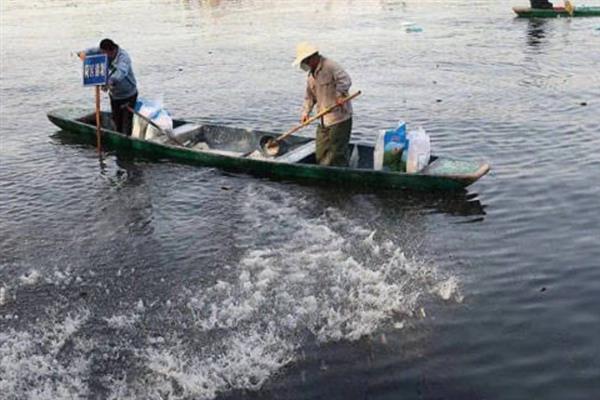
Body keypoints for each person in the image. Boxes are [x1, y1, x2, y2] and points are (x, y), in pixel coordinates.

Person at [293, 42, 353, 167]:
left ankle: (338, 179)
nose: (306, 64)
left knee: (337, 154)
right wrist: (305, 113)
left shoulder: (330, 66)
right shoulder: (311, 76)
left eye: (306, 61)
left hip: (339, 118)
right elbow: (309, 97)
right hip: (323, 119)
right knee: (321, 153)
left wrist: (340, 95)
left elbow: (345, 80)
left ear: (313, 57)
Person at [79, 39, 137, 135]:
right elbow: (89, 52)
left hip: (128, 95)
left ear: (113, 50)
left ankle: (126, 141)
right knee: (116, 120)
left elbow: (120, 73)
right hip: (114, 95)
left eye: (106, 54)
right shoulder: (102, 50)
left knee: (126, 124)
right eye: (103, 53)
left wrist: (108, 82)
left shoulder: (123, 58)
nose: (104, 55)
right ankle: (118, 137)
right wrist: (83, 54)